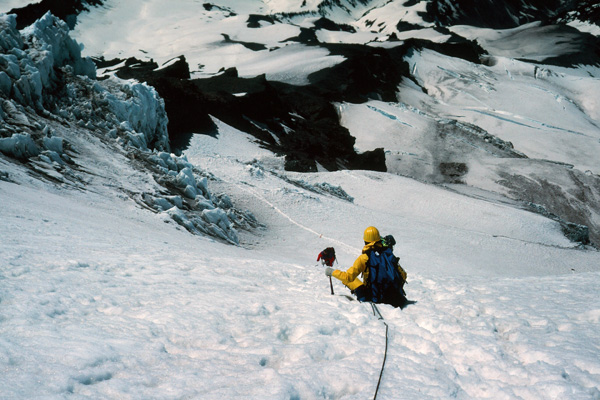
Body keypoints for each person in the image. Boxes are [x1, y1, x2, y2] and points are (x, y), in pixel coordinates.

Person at [325, 226, 407, 308]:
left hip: (375, 298)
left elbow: (348, 277)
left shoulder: (364, 257)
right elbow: (403, 275)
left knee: (352, 280)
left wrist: (332, 272)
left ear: (365, 241)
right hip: (396, 298)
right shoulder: (388, 254)